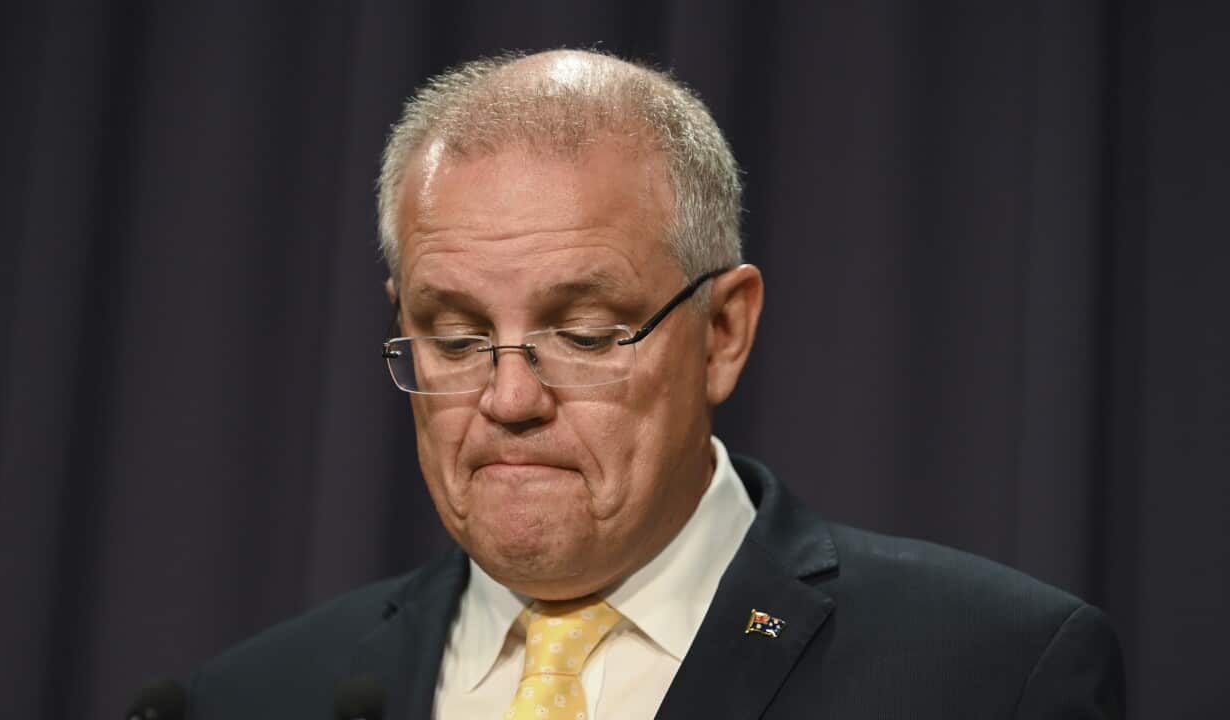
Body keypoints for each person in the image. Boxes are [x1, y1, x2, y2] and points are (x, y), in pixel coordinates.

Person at [186, 49, 1123, 719]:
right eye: (458, 337)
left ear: (722, 331)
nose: (510, 400)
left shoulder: (994, 674)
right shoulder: (254, 697)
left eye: (586, 334)